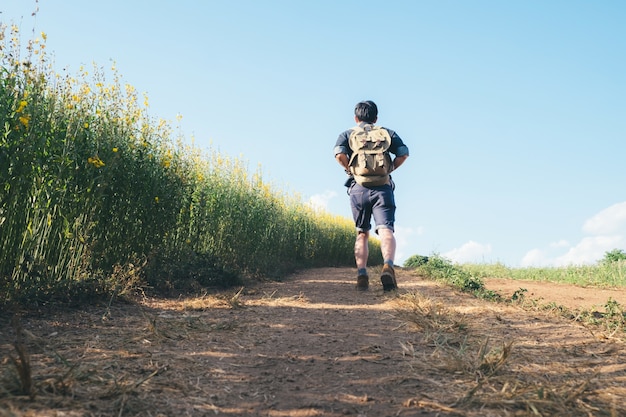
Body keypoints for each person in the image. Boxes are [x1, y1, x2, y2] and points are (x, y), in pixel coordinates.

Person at [334, 100, 409, 291]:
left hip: (358, 189)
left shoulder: (348, 134)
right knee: (386, 230)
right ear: (376, 118)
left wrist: (350, 169)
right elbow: (404, 153)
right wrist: (390, 168)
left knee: (362, 233)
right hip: (383, 188)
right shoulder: (386, 133)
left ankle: (362, 274)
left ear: (356, 117)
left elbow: (339, 154)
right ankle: (388, 266)